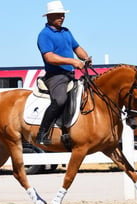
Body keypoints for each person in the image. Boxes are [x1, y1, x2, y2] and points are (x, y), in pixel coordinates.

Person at [36, 0, 92, 145]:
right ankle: (42, 132)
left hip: (70, 75)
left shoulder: (66, 32)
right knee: (60, 100)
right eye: (58, 15)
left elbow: (77, 47)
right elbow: (49, 57)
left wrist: (85, 57)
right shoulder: (44, 35)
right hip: (55, 76)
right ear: (49, 17)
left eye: (62, 15)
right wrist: (73, 62)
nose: (62, 17)